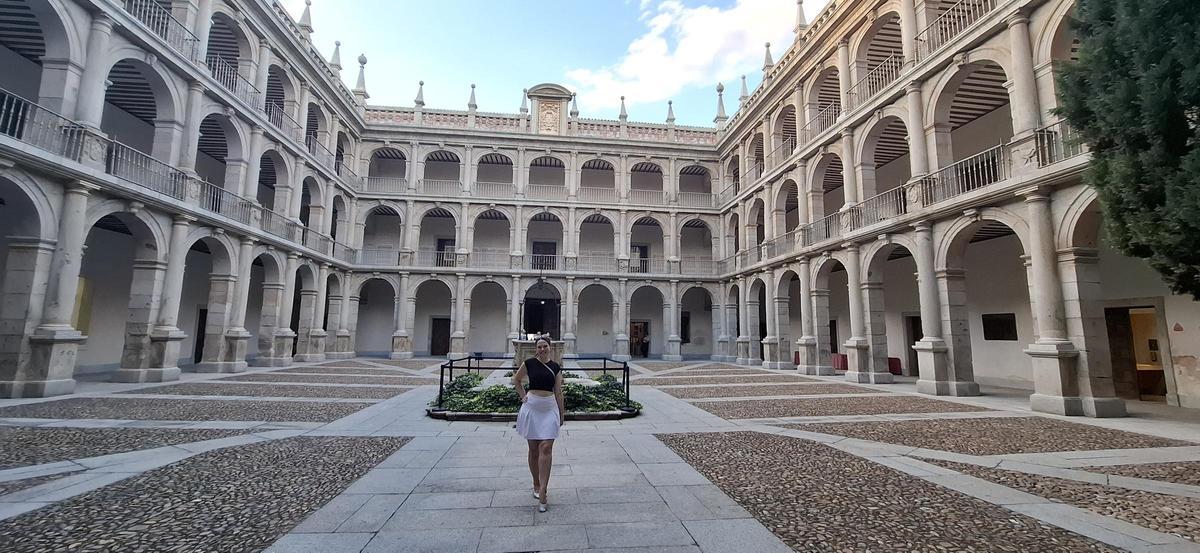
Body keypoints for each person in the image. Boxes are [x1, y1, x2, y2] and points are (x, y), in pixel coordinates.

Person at [511, 337, 565, 512]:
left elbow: (558, 392)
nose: (542, 349)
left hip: (549, 408)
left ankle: (543, 490)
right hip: (532, 407)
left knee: (546, 447)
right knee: (533, 449)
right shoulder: (529, 363)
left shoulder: (556, 367)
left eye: (545, 346)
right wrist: (522, 396)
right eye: (539, 347)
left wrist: (561, 415)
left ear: (550, 348)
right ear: (536, 349)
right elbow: (516, 380)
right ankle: (536, 483)